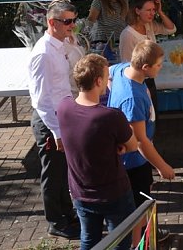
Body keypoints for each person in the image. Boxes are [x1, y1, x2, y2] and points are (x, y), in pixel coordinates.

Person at [57, 54, 138, 250]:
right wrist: (118, 145)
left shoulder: (64, 106)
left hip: (80, 191)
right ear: (98, 81)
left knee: (88, 239)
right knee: (120, 241)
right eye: (107, 76)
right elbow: (133, 145)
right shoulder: (110, 116)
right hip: (113, 193)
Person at [107, 40, 176, 244]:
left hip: (133, 161)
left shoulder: (122, 69)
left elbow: (108, 73)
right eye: (158, 65)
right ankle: (140, 243)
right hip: (134, 163)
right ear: (145, 67)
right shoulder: (132, 98)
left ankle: (147, 237)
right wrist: (162, 166)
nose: (161, 68)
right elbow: (140, 141)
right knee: (138, 210)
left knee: (141, 205)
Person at [27, 0, 81, 240]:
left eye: (73, 20)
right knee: (53, 173)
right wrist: (56, 131)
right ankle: (56, 221)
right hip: (50, 120)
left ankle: (66, 213)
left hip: (61, 115)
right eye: (67, 22)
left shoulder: (59, 45)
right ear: (52, 22)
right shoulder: (43, 53)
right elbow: (41, 99)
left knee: (62, 170)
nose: (72, 25)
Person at [118, 0, 176, 108]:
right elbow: (126, 64)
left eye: (154, 10)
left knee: (153, 114)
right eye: (148, 10)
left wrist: (160, 12)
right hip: (138, 83)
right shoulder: (128, 35)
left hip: (150, 79)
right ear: (137, 11)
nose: (152, 13)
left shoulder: (149, 26)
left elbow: (171, 29)